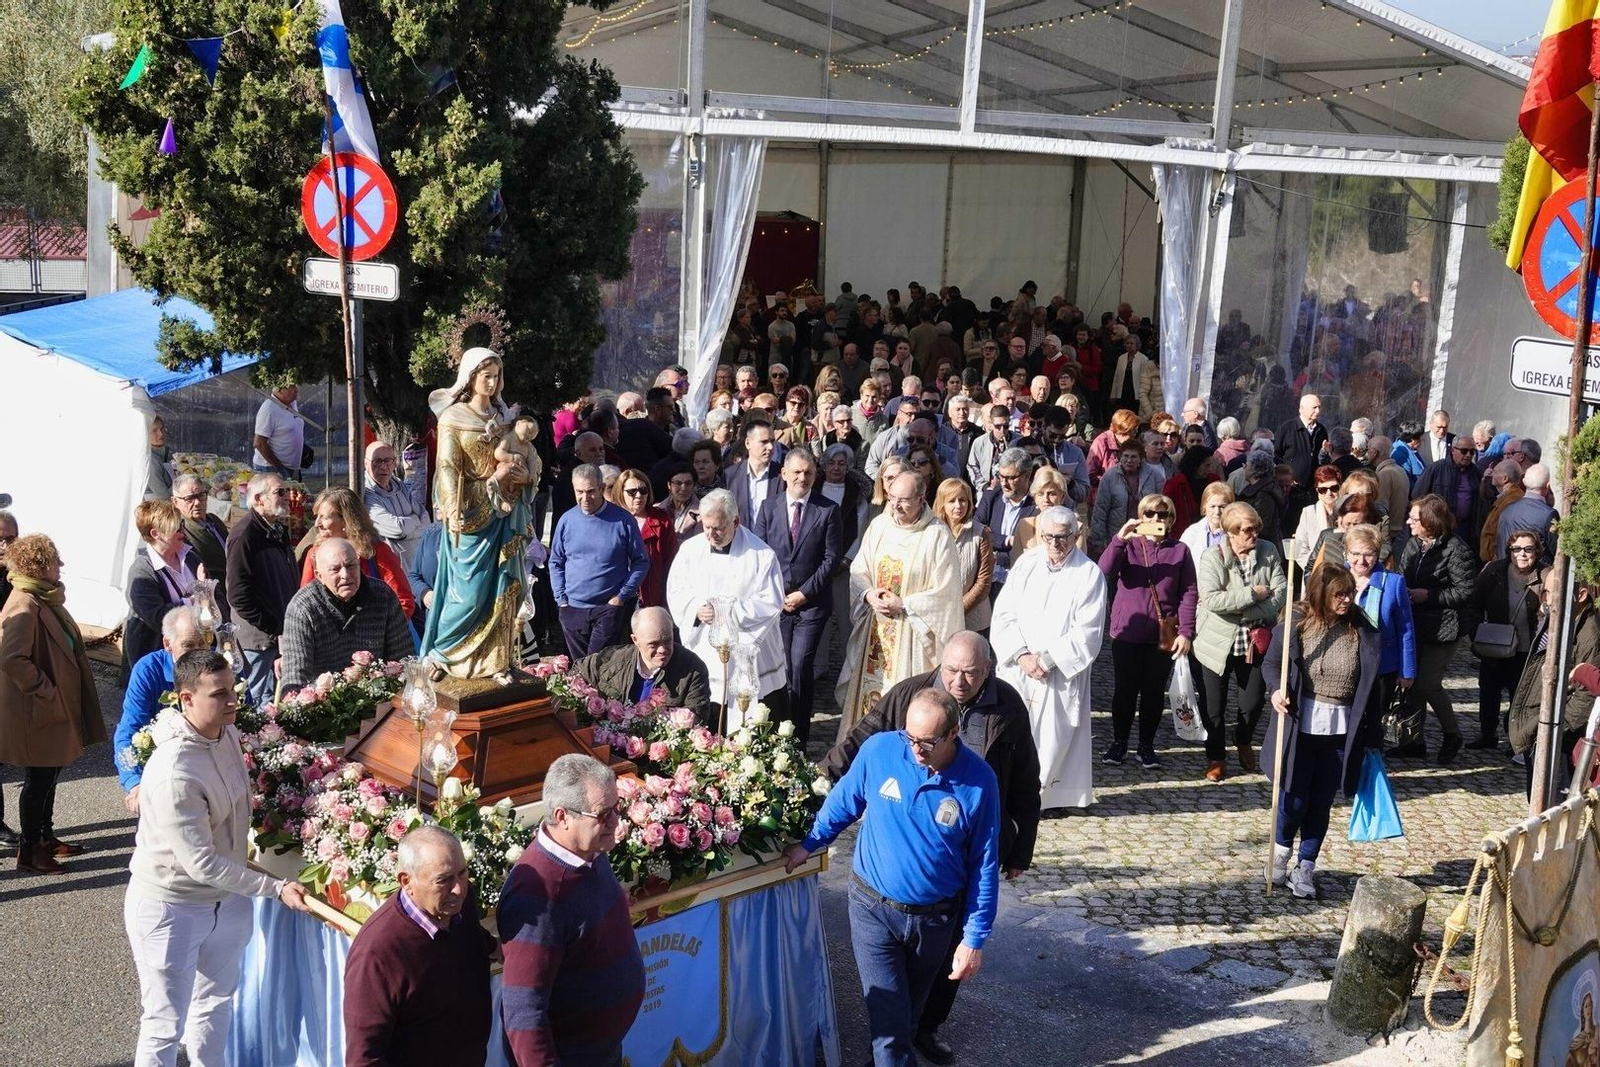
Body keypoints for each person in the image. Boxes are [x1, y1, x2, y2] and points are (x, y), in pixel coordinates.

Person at [820, 631, 1038, 1063]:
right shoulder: (909, 696)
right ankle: (894, 1046)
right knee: (891, 1005)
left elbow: (1025, 780)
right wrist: (818, 780)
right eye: (951, 670)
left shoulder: (1008, 706)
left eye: (970, 674)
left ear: (987, 672)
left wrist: (1020, 849)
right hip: (889, 878)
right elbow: (860, 743)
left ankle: (923, 1031)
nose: (958, 680)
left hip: (960, 852)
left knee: (941, 970)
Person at [784, 689, 1000, 1067]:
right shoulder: (881, 750)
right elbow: (844, 801)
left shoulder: (979, 783)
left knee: (905, 1020)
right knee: (890, 1029)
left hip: (935, 920)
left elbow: (984, 863)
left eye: (928, 742)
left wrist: (974, 938)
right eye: (910, 737)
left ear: (954, 734)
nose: (916, 750)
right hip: (873, 909)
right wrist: (810, 843)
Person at [125, 650, 311, 1062]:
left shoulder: (225, 732)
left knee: (215, 1003)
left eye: (233, 690)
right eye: (219, 694)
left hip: (225, 902)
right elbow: (201, 863)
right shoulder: (176, 772)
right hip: (170, 908)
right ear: (185, 699)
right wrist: (274, 888)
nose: (232, 702)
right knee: (164, 1023)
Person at [499, 754, 645, 1067]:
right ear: (563, 816)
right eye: (604, 814)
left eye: (617, 808)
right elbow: (524, 1011)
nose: (616, 822)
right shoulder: (536, 895)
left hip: (601, 1052)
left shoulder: (589, 849)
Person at [1263, 565, 1383, 900]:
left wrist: (1373, 739)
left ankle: (1306, 866)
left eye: (1350, 593)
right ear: (1321, 593)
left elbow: (1373, 688)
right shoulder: (1297, 626)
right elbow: (1271, 664)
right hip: (1301, 725)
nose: (1346, 600)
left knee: (1321, 803)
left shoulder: (1362, 630)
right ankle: (1281, 852)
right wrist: (1277, 690)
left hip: (1341, 730)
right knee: (1295, 798)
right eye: (1339, 594)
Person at [423, 349, 536, 681]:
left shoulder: (504, 419)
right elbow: (446, 466)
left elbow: (524, 455)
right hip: (470, 510)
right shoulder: (453, 417)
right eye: (485, 375)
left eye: (496, 375)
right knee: (467, 593)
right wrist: (454, 506)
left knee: (504, 586)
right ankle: (444, 653)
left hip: (505, 511)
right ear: (470, 377)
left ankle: (498, 663)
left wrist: (524, 478)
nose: (492, 381)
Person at [343, 825, 497, 1067]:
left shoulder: (456, 902)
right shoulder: (377, 954)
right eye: (443, 880)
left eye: (463, 873)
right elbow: (364, 1058)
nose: (459, 888)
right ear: (407, 881)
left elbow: (472, 937)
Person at [0, 533, 104, 873]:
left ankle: (45, 837)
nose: (62, 565)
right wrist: (47, 691)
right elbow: (12, 658)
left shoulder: (42, 597)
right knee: (40, 779)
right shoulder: (24, 603)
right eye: (55, 560)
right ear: (38, 566)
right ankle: (30, 853)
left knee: (50, 774)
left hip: (52, 706)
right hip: (38, 711)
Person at [993, 506, 1107, 808]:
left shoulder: (1089, 575)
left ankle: (1048, 799)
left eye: (1062, 537)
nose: (1055, 543)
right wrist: (1021, 655)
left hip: (1056, 673)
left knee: (1052, 737)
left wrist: (1046, 661)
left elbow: (1088, 631)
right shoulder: (1026, 564)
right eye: (1049, 537)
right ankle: (1011, 791)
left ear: (1076, 535)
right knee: (1013, 731)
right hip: (1020, 668)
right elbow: (1004, 614)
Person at [836, 472, 962, 741]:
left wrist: (905, 603)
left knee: (903, 702)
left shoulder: (937, 535)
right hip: (876, 633)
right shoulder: (880, 525)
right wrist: (869, 594)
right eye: (892, 498)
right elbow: (860, 569)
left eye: (904, 500)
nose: (895, 506)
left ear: (921, 498)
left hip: (912, 637)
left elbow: (947, 592)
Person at [665, 489, 787, 723]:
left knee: (752, 719)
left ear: (736, 521)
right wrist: (696, 611)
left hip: (748, 652)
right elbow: (677, 591)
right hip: (705, 647)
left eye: (718, 528)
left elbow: (771, 601)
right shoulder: (690, 551)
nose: (711, 534)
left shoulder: (761, 555)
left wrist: (728, 613)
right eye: (706, 526)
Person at [1098, 494, 1197, 769]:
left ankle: (1146, 745)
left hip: (1161, 634)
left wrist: (1186, 631)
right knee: (1124, 691)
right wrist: (1120, 537)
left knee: (1153, 692)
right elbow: (1103, 569)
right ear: (1141, 516)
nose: (1156, 519)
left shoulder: (1180, 550)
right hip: (1127, 631)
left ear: (1171, 519)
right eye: (1150, 513)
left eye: (1162, 515)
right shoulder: (1128, 546)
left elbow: (1189, 592)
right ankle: (1119, 743)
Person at [750, 451, 841, 743]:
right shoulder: (768, 508)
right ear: (784, 474)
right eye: (797, 472)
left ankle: (798, 737)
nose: (803, 478)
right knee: (779, 669)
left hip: (810, 606)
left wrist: (804, 594)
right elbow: (759, 554)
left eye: (809, 473)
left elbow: (831, 559)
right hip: (775, 605)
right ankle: (775, 732)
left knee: (800, 667)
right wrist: (776, 595)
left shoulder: (827, 510)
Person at [1193, 502, 1287, 782]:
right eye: (1247, 530)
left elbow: (1280, 592)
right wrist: (1253, 594)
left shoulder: (1268, 551)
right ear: (1230, 532)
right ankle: (1216, 756)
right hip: (1216, 641)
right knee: (1213, 705)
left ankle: (1243, 738)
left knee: (1254, 701)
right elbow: (1211, 599)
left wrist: (1248, 609)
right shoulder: (1213, 557)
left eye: (1256, 528)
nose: (1253, 535)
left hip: (1254, 640)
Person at [1395, 495, 1478, 764]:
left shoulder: (1457, 550)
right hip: (1415, 624)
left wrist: (1428, 595)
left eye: (1414, 518)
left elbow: (1465, 591)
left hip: (1445, 628)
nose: (1409, 522)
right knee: (1413, 685)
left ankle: (1452, 733)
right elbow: (1402, 573)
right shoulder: (1413, 545)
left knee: (1429, 683)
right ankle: (1412, 741)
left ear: (1430, 521)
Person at [279, 539, 414, 691]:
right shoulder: (302, 608)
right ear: (319, 576)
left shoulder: (383, 595)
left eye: (350, 566)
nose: (345, 575)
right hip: (325, 705)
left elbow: (404, 660)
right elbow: (295, 681)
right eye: (335, 569)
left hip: (380, 699)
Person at [548, 464, 649, 662]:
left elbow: (641, 561)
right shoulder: (567, 520)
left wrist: (621, 596)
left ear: (602, 488)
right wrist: (561, 600)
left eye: (591, 491)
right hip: (573, 609)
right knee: (580, 670)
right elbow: (556, 561)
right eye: (579, 492)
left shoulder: (622, 520)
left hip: (607, 608)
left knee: (597, 667)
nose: (585, 498)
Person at [114, 607, 209, 811]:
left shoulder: (217, 667)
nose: (198, 653)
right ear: (168, 643)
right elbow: (129, 729)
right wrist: (135, 783)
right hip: (163, 773)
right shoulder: (148, 670)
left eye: (202, 644)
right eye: (188, 645)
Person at [1513, 580, 1599, 796]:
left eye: (1553, 592)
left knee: (1552, 804)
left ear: (1580, 595)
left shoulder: (1589, 634)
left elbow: (1587, 695)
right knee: (1538, 796)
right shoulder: (1560, 618)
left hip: (1560, 729)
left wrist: (1558, 731)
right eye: (1545, 591)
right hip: (1540, 718)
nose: (1546, 598)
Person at [225, 472, 299, 706]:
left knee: (276, 702)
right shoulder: (245, 535)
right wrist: (273, 627)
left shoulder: (275, 529)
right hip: (259, 641)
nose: (288, 497)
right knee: (257, 701)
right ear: (258, 498)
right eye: (280, 492)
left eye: (287, 491)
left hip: (277, 634)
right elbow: (238, 595)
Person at [1469, 529, 1545, 751]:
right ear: (1509, 551)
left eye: (1528, 549)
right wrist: (1476, 632)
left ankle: (1516, 739)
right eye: (1516, 549)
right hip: (1495, 644)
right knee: (1489, 689)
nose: (1522, 554)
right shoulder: (1494, 572)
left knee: (1519, 694)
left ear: (1537, 552)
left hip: (1526, 648)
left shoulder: (1546, 575)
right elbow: (1474, 604)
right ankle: (1487, 733)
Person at [1344, 522, 1416, 742]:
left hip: (1381, 666)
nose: (1361, 561)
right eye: (1355, 554)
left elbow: (1406, 628)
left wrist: (1407, 671)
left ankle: (1371, 762)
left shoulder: (1393, 583)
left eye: (1368, 554)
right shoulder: (1337, 578)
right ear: (1346, 553)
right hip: (1344, 663)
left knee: (1374, 722)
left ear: (1377, 555)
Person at [574, 605, 711, 718]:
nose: (662, 650)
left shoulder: (692, 669)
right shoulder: (611, 660)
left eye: (668, 640)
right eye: (654, 644)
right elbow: (574, 675)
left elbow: (696, 719)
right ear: (635, 640)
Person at [299, 487, 416, 619]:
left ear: (346, 520)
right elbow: (306, 603)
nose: (317, 524)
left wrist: (380, 631)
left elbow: (403, 601)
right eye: (316, 517)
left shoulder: (376, 552)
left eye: (324, 517)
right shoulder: (314, 555)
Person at [123, 499, 206, 674]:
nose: (183, 532)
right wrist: (195, 597)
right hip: (159, 660)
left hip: (196, 653)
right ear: (156, 534)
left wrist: (207, 592)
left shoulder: (190, 557)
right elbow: (159, 618)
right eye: (176, 528)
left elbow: (212, 596)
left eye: (182, 525)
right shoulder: (142, 571)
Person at [607, 468, 677, 611]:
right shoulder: (608, 519)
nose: (638, 495)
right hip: (614, 596)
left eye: (643, 490)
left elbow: (672, 563)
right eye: (632, 492)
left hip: (650, 596)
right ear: (620, 492)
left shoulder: (661, 520)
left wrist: (667, 599)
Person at [1089, 438, 1165, 560]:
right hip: (1116, 534)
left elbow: (1162, 507)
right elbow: (1100, 511)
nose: (1129, 460)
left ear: (1141, 458)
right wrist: (1098, 541)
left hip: (1145, 535)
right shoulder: (1109, 477)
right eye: (1126, 456)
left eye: (1134, 457)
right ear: (1120, 457)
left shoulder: (1155, 476)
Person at [936, 478, 994, 636]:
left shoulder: (981, 533)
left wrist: (958, 610)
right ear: (942, 503)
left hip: (973, 620)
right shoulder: (932, 532)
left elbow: (984, 581)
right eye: (951, 501)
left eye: (962, 500)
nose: (958, 505)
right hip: (937, 618)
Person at [974, 447, 1036, 591]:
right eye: (1001, 476)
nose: (1003, 483)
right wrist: (1008, 540)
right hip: (987, 581)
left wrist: (993, 545)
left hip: (1021, 583)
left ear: (1027, 476)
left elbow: (1030, 549)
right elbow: (976, 532)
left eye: (1010, 478)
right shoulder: (990, 498)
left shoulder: (1037, 505)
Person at [363, 440, 429, 569]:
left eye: (388, 461)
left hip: (415, 563)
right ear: (366, 463)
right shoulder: (365, 492)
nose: (383, 466)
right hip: (389, 568)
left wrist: (407, 530)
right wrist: (415, 520)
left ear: (394, 463)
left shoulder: (397, 483)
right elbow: (398, 529)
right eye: (377, 461)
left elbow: (426, 519)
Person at [171, 475, 230, 606]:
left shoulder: (214, 520)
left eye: (201, 495)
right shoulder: (179, 532)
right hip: (213, 597)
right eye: (189, 498)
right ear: (175, 502)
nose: (197, 502)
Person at [1414, 437, 1483, 549]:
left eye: (1472, 452)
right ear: (1453, 450)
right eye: (1464, 451)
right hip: (1439, 527)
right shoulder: (1436, 469)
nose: (1468, 455)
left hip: (1465, 528)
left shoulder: (1475, 473)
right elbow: (1418, 496)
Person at [1497, 463, 1558, 563]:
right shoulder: (1549, 514)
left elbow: (1500, 547)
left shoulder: (1506, 510)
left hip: (1507, 572)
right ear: (1548, 486)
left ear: (1524, 482)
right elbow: (1555, 551)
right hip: (1536, 575)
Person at [1291, 466, 1342, 572]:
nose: (1329, 493)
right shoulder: (1308, 513)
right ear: (1317, 491)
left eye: (1334, 488)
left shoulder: (1347, 513)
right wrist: (1315, 569)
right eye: (1323, 489)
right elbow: (1300, 549)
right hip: (1315, 574)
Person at [1010, 466, 1068, 555]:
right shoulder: (1024, 526)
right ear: (1035, 497)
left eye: (1052, 494)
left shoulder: (1075, 528)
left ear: (1062, 497)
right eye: (1041, 494)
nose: (1046, 499)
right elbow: (1016, 563)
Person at [252, 382, 305, 479]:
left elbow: (290, 429)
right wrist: (280, 468)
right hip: (271, 469)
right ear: (279, 390)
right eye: (292, 386)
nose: (296, 390)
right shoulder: (269, 409)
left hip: (292, 467)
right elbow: (259, 443)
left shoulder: (292, 403)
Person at [1274, 394, 1327, 490]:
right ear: (1302, 409)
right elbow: (1276, 455)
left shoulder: (1321, 430)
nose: (1318, 411)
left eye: (1319, 407)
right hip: (1289, 487)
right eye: (1314, 408)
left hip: (1313, 488)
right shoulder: (1286, 429)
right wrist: (1286, 477)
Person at [1180, 481, 1235, 561]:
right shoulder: (1192, 532)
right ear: (1204, 507)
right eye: (1212, 506)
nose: (1217, 512)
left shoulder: (1238, 532)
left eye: (1222, 507)